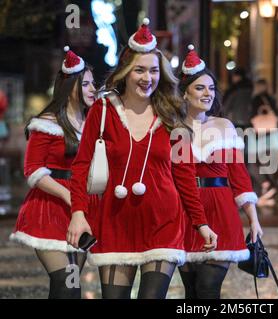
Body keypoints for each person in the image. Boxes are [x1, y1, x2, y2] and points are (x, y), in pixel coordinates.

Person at [67, 19, 217, 299]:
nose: (147, 78)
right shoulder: (102, 110)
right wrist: (78, 213)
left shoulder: (173, 114)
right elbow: (81, 166)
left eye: (154, 71)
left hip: (164, 222)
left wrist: (201, 223)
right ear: (126, 72)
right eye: (140, 70)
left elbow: (184, 175)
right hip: (113, 221)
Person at [9, 47, 97, 298]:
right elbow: (33, 170)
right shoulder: (47, 122)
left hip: (81, 207)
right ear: (70, 86)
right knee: (66, 283)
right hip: (49, 209)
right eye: (87, 84)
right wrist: (69, 197)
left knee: (69, 285)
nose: (93, 89)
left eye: (94, 84)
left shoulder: (93, 123)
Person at [176, 45, 263, 299]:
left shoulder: (225, 126)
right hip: (185, 212)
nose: (208, 93)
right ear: (184, 93)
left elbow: (239, 177)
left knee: (208, 288)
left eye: (211, 88)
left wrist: (253, 219)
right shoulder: (173, 127)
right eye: (200, 87)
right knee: (191, 291)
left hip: (221, 211)